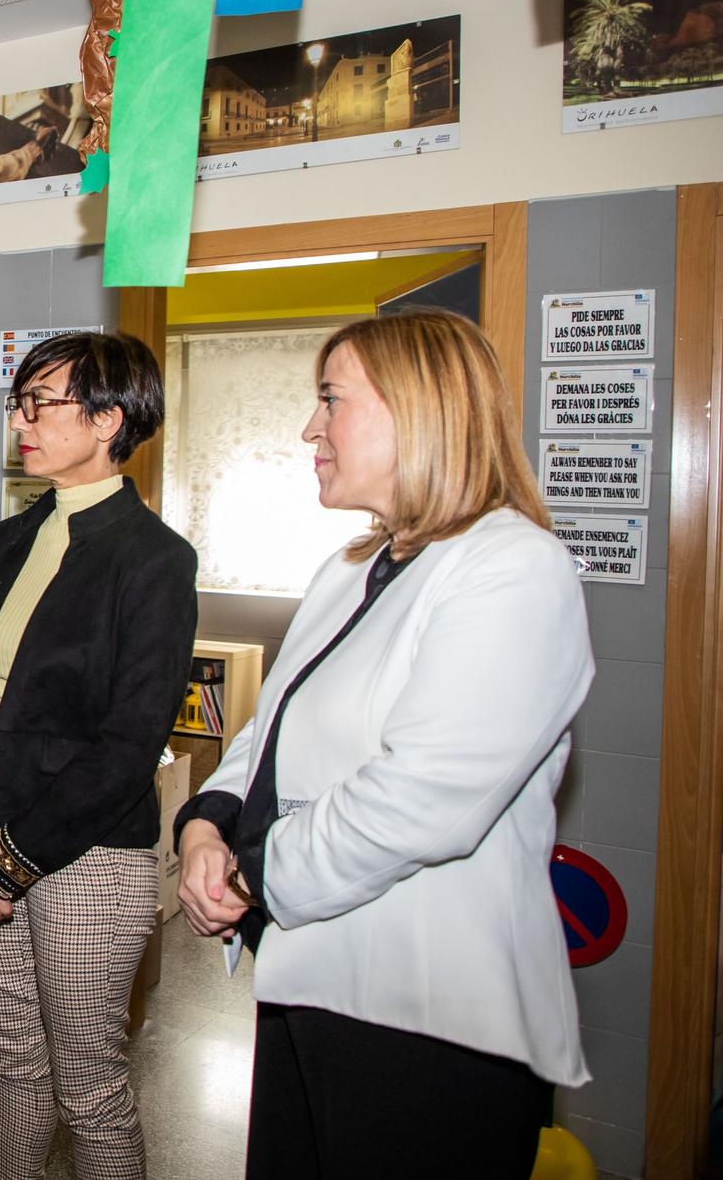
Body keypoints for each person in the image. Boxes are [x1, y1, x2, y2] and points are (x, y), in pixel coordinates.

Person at [175, 309, 593, 1179]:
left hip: (430, 1017)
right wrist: (206, 826)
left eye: (331, 400)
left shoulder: (513, 567)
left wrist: (254, 873)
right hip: (309, 985)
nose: (309, 429)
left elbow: (422, 798)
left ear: (422, 408)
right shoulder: (348, 569)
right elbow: (271, 728)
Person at [0, 331, 196, 1180]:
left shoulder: (154, 558)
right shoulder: (7, 540)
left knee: (90, 1088)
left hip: (88, 856)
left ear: (109, 418)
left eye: (41, 402)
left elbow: (128, 745)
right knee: (12, 1060)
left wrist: (7, 864)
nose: (22, 420)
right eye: (21, 401)